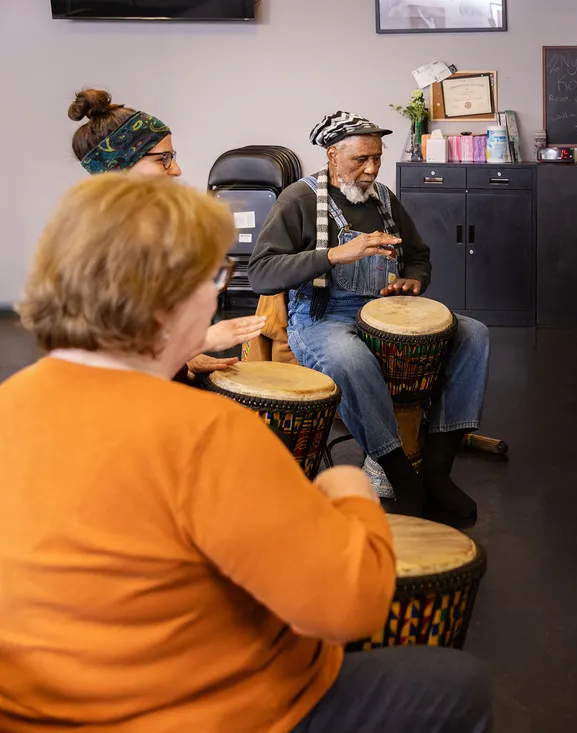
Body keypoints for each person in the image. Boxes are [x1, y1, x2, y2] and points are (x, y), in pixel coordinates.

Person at [0, 173, 492, 733]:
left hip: (39, 709)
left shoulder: (10, 404)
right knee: (454, 684)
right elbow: (344, 606)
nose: (214, 294)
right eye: (212, 277)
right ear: (166, 300)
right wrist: (348, 492)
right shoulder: (203, 434)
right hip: (196, 713)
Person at [248, 111, 490, 523]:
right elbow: (260, 274)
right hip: (321, 317)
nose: (372, 169)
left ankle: (436, 471)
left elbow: (418, 256)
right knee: (350, 357)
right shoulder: (299, 200)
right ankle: (401, 476)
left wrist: (413, 281)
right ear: (332, 154)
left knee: (473, 333)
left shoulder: (382, 198)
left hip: (385, 310)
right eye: (361, 159)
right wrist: (333, 255)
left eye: (377, 158)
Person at [68, 87, 264, 379]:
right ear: (122, 165)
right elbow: (116, 355)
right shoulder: (107, 242)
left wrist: (187, 360)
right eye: (163, 158)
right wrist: (205, 341)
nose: (176, 169)